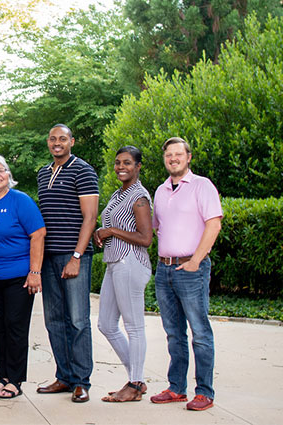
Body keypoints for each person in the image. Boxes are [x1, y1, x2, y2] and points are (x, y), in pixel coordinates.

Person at [150, 137, 222, 411]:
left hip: (191, 269)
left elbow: (213, 225)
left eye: (178, 154)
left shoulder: (202, 186)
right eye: (169, 155)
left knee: (200, 331)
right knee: (173, 333)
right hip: (164, 269)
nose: (173, 159)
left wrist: (195, 260)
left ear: (188, 157)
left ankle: (204, 391)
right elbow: (159, 227)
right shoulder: (160, 190)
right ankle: (176, 387)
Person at [35, 124, 98, 403]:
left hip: (73, 257)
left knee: (78, 320)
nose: (57, 143)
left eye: (62, 138)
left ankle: (82, 381)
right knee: (54, 320)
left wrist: (76, 256)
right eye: (53, 139)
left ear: (72, 141)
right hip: (48, 257)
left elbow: (90, 217)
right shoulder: (42, 172)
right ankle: (64, 376)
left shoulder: (83, 170)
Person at [0, 155, 46, 399]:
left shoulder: (20, 201)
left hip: (19, 277)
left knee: (16, 328)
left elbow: (38, 234)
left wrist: (35, 272)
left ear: (8, 175)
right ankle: (2, 376)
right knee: (0, 329)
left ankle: (16, 380)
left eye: (1, 170)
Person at [93, 146, 153, 402]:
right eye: (118, 163)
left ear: (138, 166)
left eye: (127, 163)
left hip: (131, 262)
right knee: (106, 323)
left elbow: (146, 238)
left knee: (134, 326)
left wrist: (111, 231)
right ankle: (136, 380)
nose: (120, 167)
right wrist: (101, 232)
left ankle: (134, 383)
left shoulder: (139, 197)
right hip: (114, 262)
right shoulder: (119, 194)